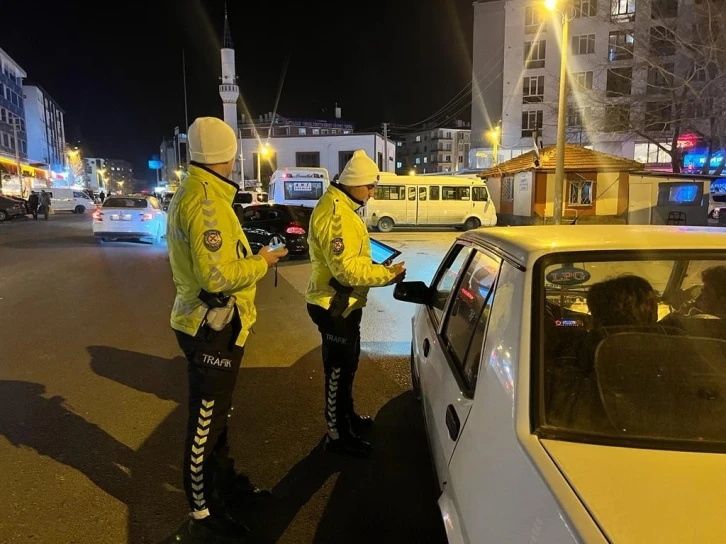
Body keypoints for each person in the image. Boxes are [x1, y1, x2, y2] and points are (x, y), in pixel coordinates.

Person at [167, 116, 288, 543]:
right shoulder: (206, 200)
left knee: (217, 419)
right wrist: (263, 262)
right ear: (229, 155)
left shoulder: (201, 191)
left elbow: (215, 264)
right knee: (205, 424)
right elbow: (217, 278)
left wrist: (250, 256)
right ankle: (202, 513)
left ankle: (226, 488)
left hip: (211, 324)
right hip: (210, 326)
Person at [306, 150, 406, 458]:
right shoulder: (338, 215)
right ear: (352, 184)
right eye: (369, 186)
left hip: (343, 303)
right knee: (338, 371)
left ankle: (346, 420)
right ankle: (337, 436)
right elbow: (347, 270)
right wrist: (388, 274)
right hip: (334, 305)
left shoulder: (343, 206)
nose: (372, 192)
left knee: (347, 367)